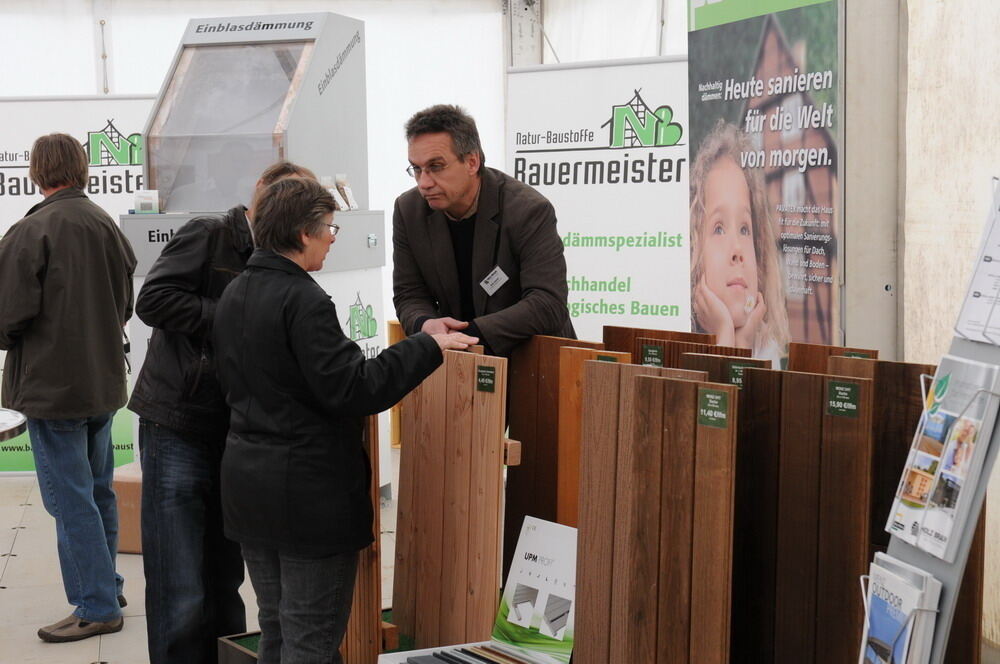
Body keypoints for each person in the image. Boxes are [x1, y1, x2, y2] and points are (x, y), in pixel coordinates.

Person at [213, 177, 477, 663]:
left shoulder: (236, 292)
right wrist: (427, 346)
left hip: (251, 492)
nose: (333, 238)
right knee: (311, 643)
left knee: (276, 630)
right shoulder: (304, 300)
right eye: (330, 228)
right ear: (302, 234)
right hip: (307, 500)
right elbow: (353, 388)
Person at [127, 161, 316, 664]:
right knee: (179, 582)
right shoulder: (208, 234)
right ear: (258, 191)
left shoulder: (282, 257)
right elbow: (153, 299)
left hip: (235, 431)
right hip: (176, 421)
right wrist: (232, 319)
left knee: (226, 577)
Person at [0, 133, 136, 642]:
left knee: (69, 499)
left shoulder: (32, 230)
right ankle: (108, 584)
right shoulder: (105, 224)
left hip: (54, 390)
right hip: (101, 382)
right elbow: (125, 304)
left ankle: (97, 605)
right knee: (97, 491)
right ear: (81, 168)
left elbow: (6, 316)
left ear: (37, 172)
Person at [393, 104, 573, 357]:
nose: (424, 182)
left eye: (436, 166)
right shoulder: (408, 210)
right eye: (417, 169)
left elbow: (548, 304)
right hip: (454, 360)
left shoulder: (527, 210)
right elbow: (409, 293)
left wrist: (470, 335)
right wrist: (425, 323)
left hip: (532, 363)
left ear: (472, 161)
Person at [689, 120, 789, 364]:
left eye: (745, 229)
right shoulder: (679, 340)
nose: (737, 251)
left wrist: (742, 344)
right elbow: (712, 401)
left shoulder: (766, 348)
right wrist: (725, 336)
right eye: (719, 229)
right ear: (693, 249)